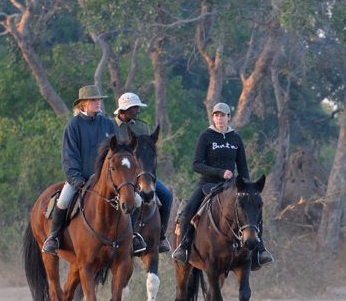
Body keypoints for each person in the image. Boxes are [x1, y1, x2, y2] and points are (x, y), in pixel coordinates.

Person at [43, 85, 146, 256]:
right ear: (82, 104)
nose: (97, 103)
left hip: (107, 180)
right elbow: (69, 157)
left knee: (136, 200)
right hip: (80, 179)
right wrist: (76, 179)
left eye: (98, 100)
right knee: (63, 201)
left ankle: (134, 236)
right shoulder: (73, 126)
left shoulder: (107, 124)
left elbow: (119, 152)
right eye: (93, 100)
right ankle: (53, 238)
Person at [171, 102, 274, 270]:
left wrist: (248, 188)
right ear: (213, 118)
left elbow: (243, 169)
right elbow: (196, 164)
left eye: (222, 115)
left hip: (231, 188)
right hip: (208, 184)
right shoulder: (206, 136)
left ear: (229, 118)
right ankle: (183, 248)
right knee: (187, 212)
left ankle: (259, 252)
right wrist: (220, 172)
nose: (219, 118)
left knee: (253, 210)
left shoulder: (236, 139)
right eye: (216, 115)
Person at [113, 92, 173, 253]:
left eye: (137, 107)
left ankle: (160, 237)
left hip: (142, 174)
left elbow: (147, 154)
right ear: (124, 109)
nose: (138, 110)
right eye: (134, 107)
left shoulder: (142, 126)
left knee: (167, 196)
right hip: (121, 176)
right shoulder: (111, 127)